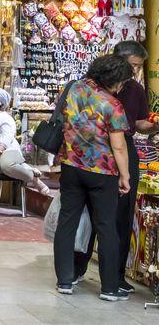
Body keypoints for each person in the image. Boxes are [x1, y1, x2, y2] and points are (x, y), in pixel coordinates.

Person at [74, 41, 158, 293]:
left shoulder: (136, 89)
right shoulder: (92, 86)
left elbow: (139, 123)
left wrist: (154, 125)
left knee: (121, 216)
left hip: (125, 150)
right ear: (118, 60)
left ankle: (116, 276)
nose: (134, 72)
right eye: (132, 66)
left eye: (138, 67)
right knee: (88, 211)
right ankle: (77, 267)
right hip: (96, 150)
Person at [53, 54, 133, 301]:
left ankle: (65, 280)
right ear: (114, 79)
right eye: (122, 82)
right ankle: (109, 288)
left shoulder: (73, 88)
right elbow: (118, 147)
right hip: (102, 172)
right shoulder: (112, 104)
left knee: (67, 222)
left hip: (71, 165)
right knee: (106, 226)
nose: (122, 87)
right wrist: (125, 176)